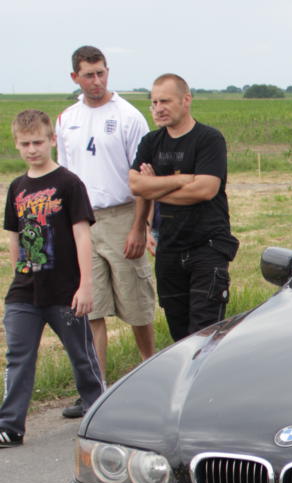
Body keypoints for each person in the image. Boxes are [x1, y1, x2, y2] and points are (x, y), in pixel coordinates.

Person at [56, 45, 155, 417]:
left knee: (136, 303)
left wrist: (140, 227)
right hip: (83, 220)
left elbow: (144, 180)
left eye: (101, 72)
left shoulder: (128, 117)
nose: (96, 81)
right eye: (88, 75)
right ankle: (94, 390)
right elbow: (64, 177)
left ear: (107, 71)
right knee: (91, 308)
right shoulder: (67, 119)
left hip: (122, 215)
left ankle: (151, 377)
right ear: (75, 77)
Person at [1, 110, 105, 447]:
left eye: (38, 142)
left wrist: (85, 285)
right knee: (18, 357)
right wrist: (18, 271)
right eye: (25, 144)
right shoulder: (17, 187)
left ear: (52, 141)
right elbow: (14, 235)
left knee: (82, 357)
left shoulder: (68, 183)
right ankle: (10, 425)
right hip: (24, 292)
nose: (32, 149)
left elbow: (82, 235)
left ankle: (98, 413)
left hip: (65, 290)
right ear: (16, 145)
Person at [128, 74, 238, 342]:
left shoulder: (209, 139)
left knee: (205, 334)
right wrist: (182, 180)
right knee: (180, 338)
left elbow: (205, 190)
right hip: (168, 248)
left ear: (186, 100)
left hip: (207, 247)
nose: (158, 108)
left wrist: (155, 186)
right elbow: (136, 185)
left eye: (165, 101)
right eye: (154, 102)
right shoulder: (151, 142)